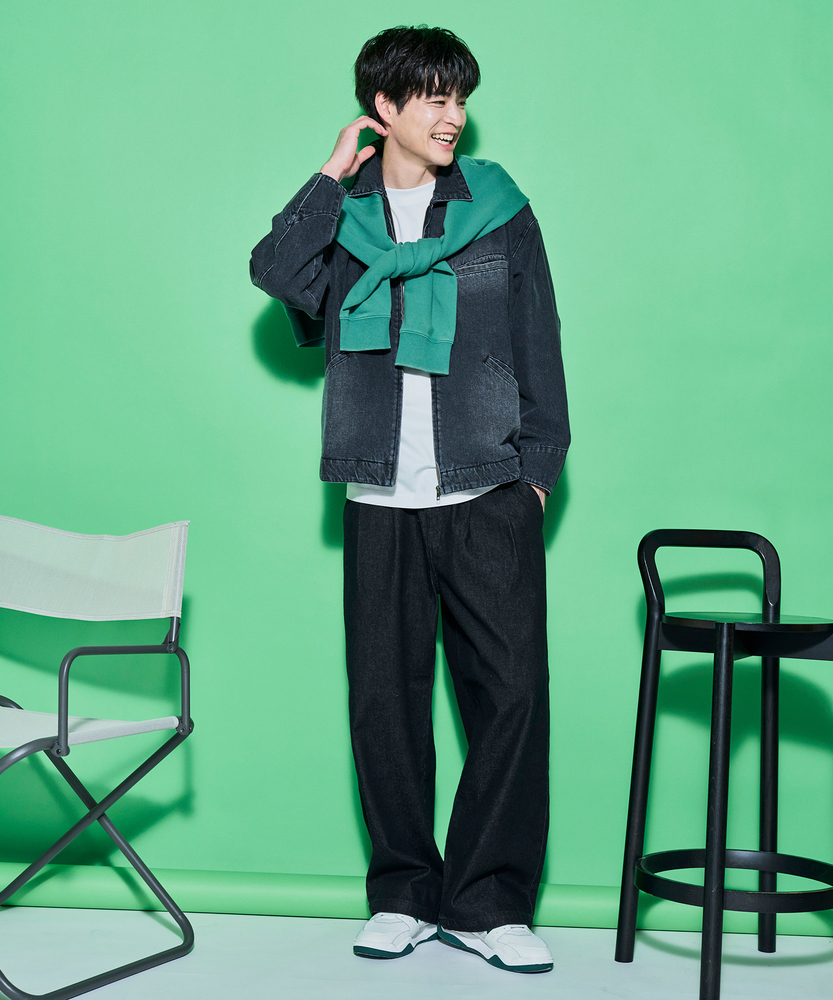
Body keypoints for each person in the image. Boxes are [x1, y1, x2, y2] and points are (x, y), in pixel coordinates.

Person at [249, 25, 569, 975]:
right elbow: (276, 273)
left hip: (487, 482)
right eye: (433, 98)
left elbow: (538, 338)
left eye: (460, 98)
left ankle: (489, 905)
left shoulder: (498, 211)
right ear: (383, 108)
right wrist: (329, 173)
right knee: (384, 706)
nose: (452, 116)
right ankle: (402, 896)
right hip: (380, 491)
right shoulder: (344, 221)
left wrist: (537, 470)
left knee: (510, 698)